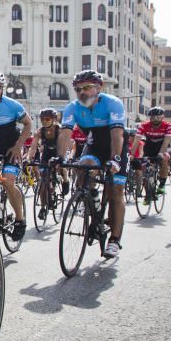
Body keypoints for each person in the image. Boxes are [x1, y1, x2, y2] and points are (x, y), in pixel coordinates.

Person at [56, 70, 128, 258]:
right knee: (83, 166)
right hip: (95, 144)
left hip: (116, 145)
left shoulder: (112, 103)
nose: (82, 92)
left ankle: (114, 239)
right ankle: (90, 197)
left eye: (87, 88)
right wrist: (59, 157)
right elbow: (65, 133)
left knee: (116, 193)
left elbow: (116, 134)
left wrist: (116, 159)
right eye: (78, 89)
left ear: (99, 88)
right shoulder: (72, 108)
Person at [0, 70, 32, 239]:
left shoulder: (13, 105)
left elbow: (28, 124)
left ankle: (19, 219)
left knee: (8, 182)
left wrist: (18, 146)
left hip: (11, 148)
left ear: (2, 88)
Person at [27, 108, 68, 220]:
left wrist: (59, 158)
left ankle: (66, 181)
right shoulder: (40, 131)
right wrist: (28, 159)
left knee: (61, 166)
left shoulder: (59, 129)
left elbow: (63, 145)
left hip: (58, 151)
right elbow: (33, 146)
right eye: (42, 119)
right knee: (43, 179)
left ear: (53, 119)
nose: (44, 121)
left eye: (47, 119)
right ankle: (43, 207)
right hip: (46, 153)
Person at [133, 107, 171, 194]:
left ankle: (162, 184)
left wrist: (161, 153)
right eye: (152, 117)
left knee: (164, 160)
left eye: (158, 117)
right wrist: (132, 155)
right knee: (144, 167)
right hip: (149, 147)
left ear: (162, 117)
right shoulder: (143, 125)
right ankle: (149, 192)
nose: (155, 119)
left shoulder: (168, 126)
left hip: (163, 146)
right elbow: (136, 141)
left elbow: (166, 141)